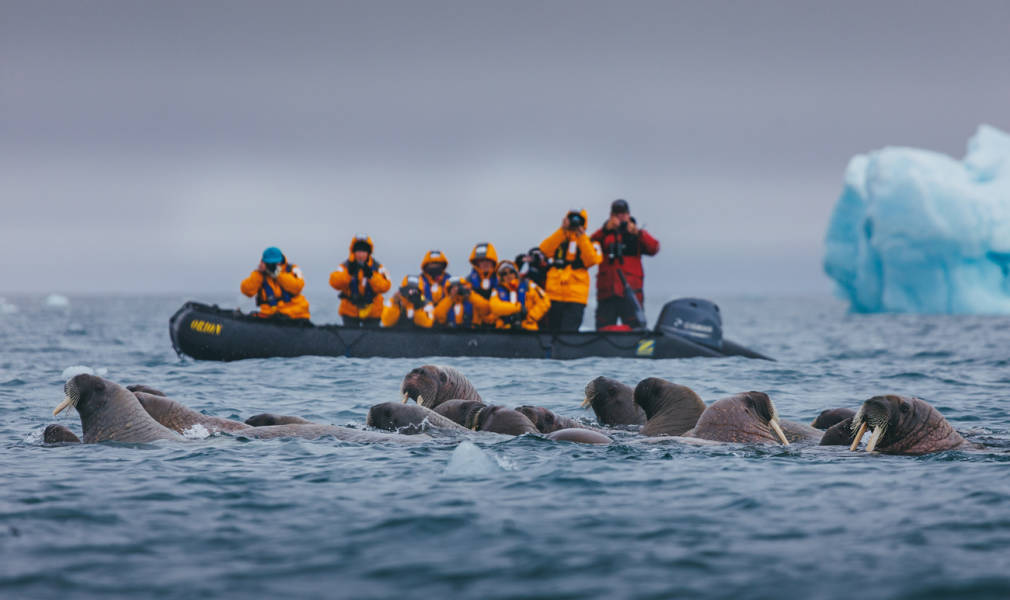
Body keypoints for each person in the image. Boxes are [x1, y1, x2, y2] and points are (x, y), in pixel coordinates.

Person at [590, 198, 660, 329]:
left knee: (637, 330)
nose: (620, 218)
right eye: (616, 215)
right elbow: (588, 247)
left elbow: (654, 248)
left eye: (623, 214)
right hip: (607, 293)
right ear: (611, 216)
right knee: (602, 331)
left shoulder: (636, 234)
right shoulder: (603, 235)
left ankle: (641, 350)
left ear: (629, 215)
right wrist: (604, 230)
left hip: (631, 292)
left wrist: (639, 233)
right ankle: (602, 350)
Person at [539, 209, 602, 332]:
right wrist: (562, 230)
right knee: (552, 331)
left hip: (576, 297)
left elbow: (592, 260)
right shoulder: (560, 238)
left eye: (578, 220)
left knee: (569, 333)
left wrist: (581, 236)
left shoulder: (591, 243)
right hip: (554, 294)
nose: (575, 223)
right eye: (572, 219)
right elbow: (544, 250)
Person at [329, 235, 391, 327]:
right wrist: (348, 274)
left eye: (364, 251)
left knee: (372, 339)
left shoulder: (378, 268)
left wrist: (371, 276)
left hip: (372, 311)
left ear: (369, 253)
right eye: (358, 251)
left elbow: (385, 286)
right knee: (349, 337)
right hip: (350, 310)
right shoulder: (345, 266)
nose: (361, 254)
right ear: (353, 252)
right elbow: (334, 283)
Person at [240, 246, 311, 319]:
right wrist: (258, 273)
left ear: (281, 261)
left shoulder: (292, 269)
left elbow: (298, 287)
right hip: (270, 315)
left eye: (276, 263)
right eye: (270, 263)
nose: (273, 265)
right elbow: (246, 291)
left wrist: (278, 275)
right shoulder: (260, 275)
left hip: (296, 315)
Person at [488, 260, 551, 331]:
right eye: (504, 273)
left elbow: (545, 300)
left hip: (528, 328)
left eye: (511, 272)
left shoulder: (529, 285)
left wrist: (531, 316)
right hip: (505, 330)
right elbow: (494, 306)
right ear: (500, 277)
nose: (509, 275)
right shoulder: (496, 290)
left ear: (515, 273)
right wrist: (518, 308)